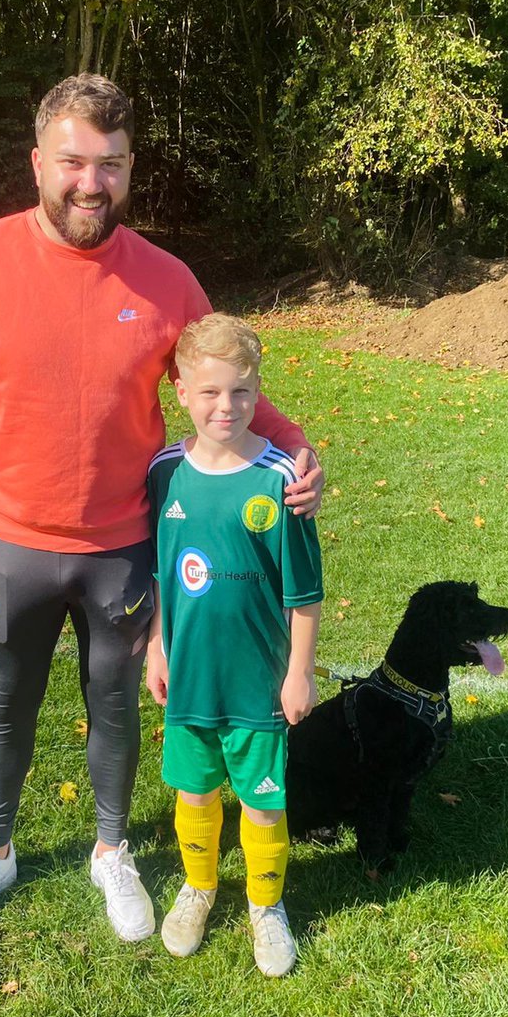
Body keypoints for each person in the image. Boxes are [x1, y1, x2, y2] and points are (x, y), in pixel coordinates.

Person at [0, 73, 324, 943]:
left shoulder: (166, 280)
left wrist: (294, 450)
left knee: (118, 704)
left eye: (112, 165)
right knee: (6, 705)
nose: (91, 183)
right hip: (10, 547)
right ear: (37, 163)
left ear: (131, 170)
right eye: (73, 162)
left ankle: (108, 851)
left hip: (124, 548)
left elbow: (221, 374)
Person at [145, 313, 323, 975]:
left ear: (258, 391)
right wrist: (156, 645)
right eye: (211, 392)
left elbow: (303, 594)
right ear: (182, 393)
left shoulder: (282, 483)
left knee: (261, 800)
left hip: (259, 682)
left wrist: (299, 673)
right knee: (193, 794)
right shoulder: (164, 475)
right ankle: (199, 886)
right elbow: (162, 573)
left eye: (242, 392)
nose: (227, 406)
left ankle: (264, 905)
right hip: (190, 678)